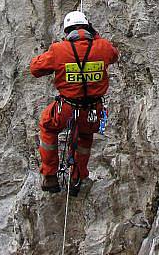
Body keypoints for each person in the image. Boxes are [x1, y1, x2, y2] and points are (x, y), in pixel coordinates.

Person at [30, 10, 119, 194]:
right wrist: (96, 37)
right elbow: (114, 55)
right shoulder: (103, 46)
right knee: (85, 137)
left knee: (47, 125)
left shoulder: (59, 50)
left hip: (67, 108)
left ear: (67, 31)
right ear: (88, 28)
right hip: (93, 110)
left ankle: (50, 176)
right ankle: (78, 177)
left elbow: (35, 69)